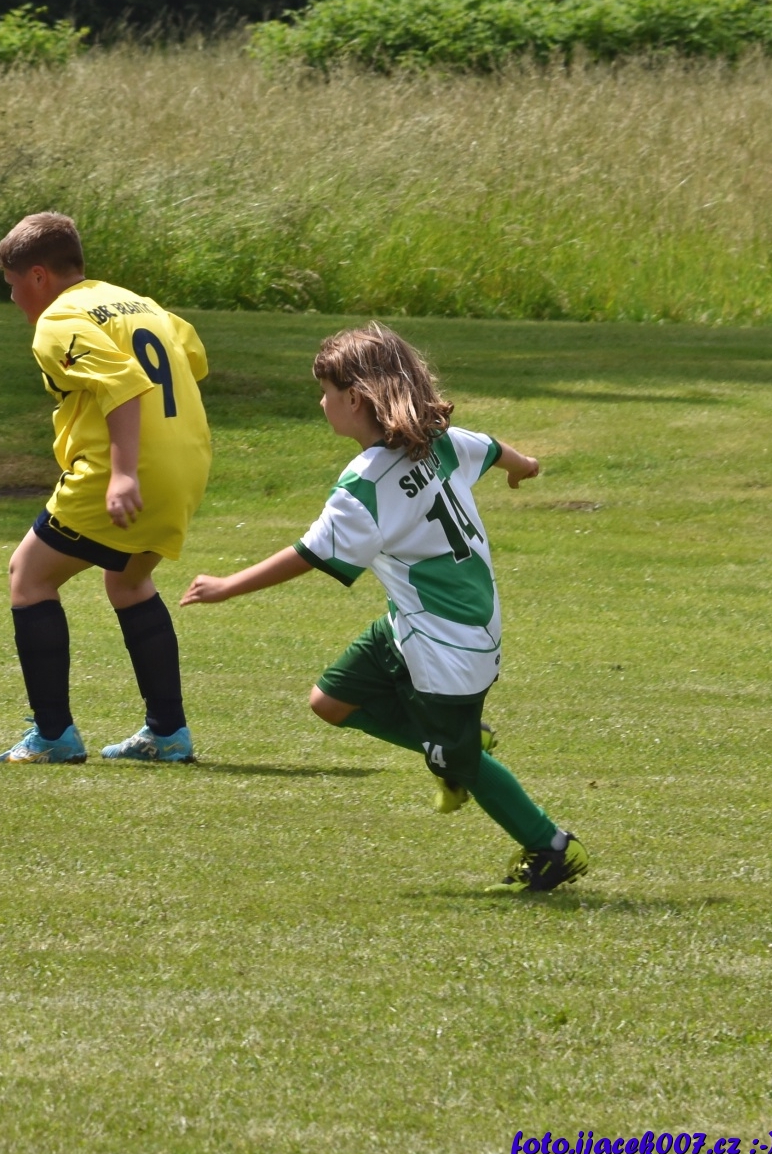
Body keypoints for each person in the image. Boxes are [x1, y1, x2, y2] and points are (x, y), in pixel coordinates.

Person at [181, 323, 589, 892]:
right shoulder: (437, 441)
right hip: (421, 622)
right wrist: (526, 466)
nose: (321, 403)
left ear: (353, 399)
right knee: (330, 701)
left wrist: (227, 586)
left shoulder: (365, 486)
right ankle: (454, 738)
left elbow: (309, 553)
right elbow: (492, 449)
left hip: (450, 646)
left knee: (460, 767)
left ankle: (551, 847)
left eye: (325, 392)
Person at [0, 213, 213, 764]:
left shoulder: (57, 321)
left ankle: (53, 736)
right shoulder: (137, 303)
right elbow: (192, 358)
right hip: (187, 463)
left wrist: (124, 472)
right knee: (129, 582)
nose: (14, 298)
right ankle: (167, 734)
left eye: (13, 284)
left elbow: (122, 384)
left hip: (127, 470)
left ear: (38, 275)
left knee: (29, 576)